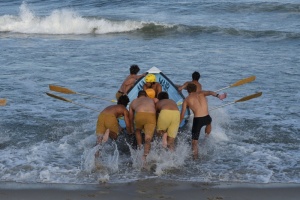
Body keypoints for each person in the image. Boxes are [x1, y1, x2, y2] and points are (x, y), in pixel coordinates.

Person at [180, 83, 227, 160]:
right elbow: (210, 92)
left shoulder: (186, 100)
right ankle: (206, 138)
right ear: (195, 89)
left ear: (188, 91)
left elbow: (182, 115)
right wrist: (219, 96)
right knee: (209, 123)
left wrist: (178, 124)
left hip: (198, 120)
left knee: (194, 143)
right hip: (207, 117)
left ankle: (195, 159)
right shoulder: (201, 93)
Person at [129, 90, 156, 163]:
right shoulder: (151, 99)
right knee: (148, 139)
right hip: (151, 116)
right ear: (146, 96)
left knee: (137, 130)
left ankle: (140, 147)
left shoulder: (134, 101)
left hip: (139, 115)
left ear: (137, 96)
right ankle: (145, 156)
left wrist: (131, 127)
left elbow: (130, 117)